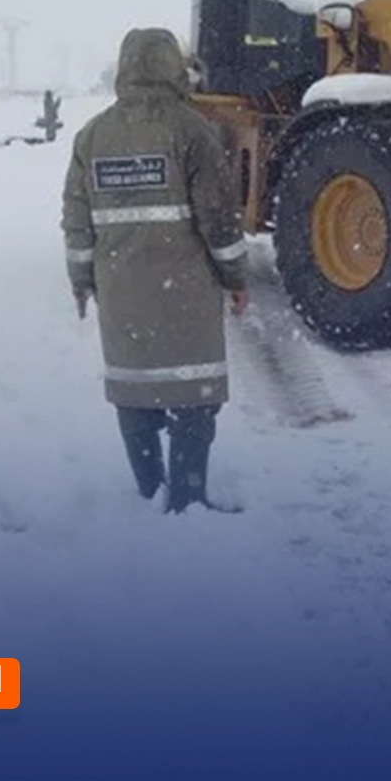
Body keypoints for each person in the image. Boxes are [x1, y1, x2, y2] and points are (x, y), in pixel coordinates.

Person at [63, 27, 249, 514]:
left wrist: (81, 281)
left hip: (122, 293)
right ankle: (186, 500)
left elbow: (76, 220)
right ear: (172, 68)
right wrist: (235, 278)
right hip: (185, 291)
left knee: (135, 391)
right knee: (194, 394)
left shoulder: (92, 136)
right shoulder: (192, 131)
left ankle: (148, 493)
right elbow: (219, 217)